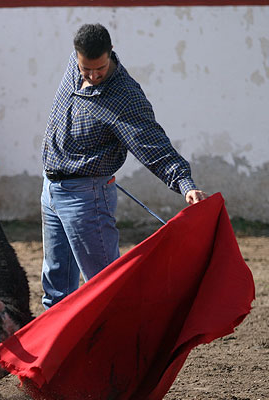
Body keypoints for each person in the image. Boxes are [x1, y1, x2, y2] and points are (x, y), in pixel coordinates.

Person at [40, 23, 207, 310]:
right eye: (86, 69)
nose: (93, 76)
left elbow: (153, 145)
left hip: (86, 198)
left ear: (112, 53)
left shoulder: (125, 96)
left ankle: (123, 352)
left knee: (107, 287)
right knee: (55, 289)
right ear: (76, 56)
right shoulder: (75, 63)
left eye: (100, 69)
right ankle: (58, 354)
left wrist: (185, 184)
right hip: (50, 190)